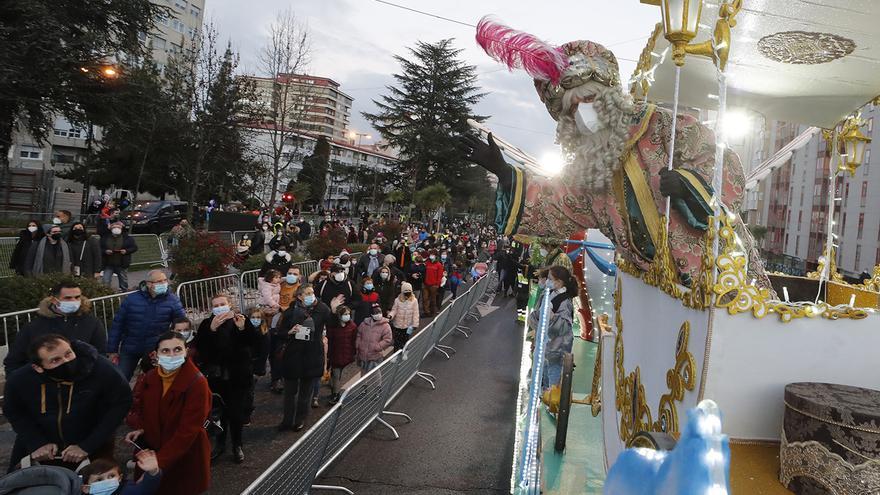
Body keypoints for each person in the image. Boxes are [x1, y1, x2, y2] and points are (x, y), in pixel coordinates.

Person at [3, 334, 132, 473]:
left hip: (92, 443)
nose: (66, 361)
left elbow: (121, 402)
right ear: (38, 367)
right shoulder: (20, 380)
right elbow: (14, 411)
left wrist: (87, 446)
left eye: (68, 354)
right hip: (38, 444)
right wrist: (36, 443)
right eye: (55, 360)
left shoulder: (101, 368)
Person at [124, 331, 211, 495]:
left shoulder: (197, 382)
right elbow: (144, 410)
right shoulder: (150, 377)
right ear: (156, 354)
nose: (172, 355)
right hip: (154, 452)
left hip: (184, 457)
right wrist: (142, 428)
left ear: (186, 351)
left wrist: (159, 462)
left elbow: (188, 431)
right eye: (165, 351)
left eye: (177, 349)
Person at [193, 296, 259, 463]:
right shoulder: (207, 324)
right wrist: (212, 331)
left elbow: (253, 343)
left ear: (230, 305)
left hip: (238, 376)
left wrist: (243, 329)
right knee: (218, 413)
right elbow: (202, 349)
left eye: (223, 304)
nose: (220, 307)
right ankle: (220, 443)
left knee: (236, 413)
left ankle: (237, 445)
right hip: (216, 378)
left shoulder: (240, 319)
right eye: (216, 305)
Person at [3, 281, 107, 375]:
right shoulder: (34, 327)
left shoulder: (92, 322)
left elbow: (100, 354)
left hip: (82, 382)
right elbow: (14, 360)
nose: (74, 301)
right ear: (54, 300)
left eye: (77, 297)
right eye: (68, 298)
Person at [108, 270, 186, 381]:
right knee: (120, 379)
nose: (164, 283)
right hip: (130, 347)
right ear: (149, 284)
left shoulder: (172, 300)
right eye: (159, 281)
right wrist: (112, 350)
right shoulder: (131, 300)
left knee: (155, 381)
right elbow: (118, 324)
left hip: (155, 349)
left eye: (165, 280)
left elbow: (182, 323)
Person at [276, 284, 333, 431]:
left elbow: (333, 325)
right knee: (290, 393)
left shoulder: (323, 309)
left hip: (312, 356)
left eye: (312, 292)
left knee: (305, 394)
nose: (311, 295)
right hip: (293, 356)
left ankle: (300, 420)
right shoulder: (290, 312)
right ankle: (287, 420)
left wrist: (334, 310)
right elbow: (279, 332)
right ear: (300, 296)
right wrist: (289, 331)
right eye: (307, 293)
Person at [528, 266, 576, 389]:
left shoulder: (565, 302)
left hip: (557, 350)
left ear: (559, 282)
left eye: (550, 278)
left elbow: (564, 327)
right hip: (546, 347)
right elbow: (535, 316)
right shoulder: (548, 295)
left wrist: (552, 318)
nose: (546, 281)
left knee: (553, 386)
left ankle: (550, 405)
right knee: (544, 380)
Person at [78, 452, 162, 495]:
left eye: (112, 476)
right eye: (99, 479)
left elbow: (145, 488)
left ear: (120, 478)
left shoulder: (127, 491)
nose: (108, 480)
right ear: (86, 488)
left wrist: (153, 471)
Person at [325, 305, 356, 404]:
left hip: (347, 355)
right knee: (336, 375)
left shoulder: (353, 326)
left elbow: (354, 341)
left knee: (338, 376)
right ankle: (335, 394)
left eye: (348, 314)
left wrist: (354, 353)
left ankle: (335, 392)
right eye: (345, 314)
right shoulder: (333, 327)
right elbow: (329, 340)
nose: (347, 316)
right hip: (335, 354)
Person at [100, 222, 138, 291]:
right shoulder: (105, 238)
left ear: (122, 228)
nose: (116, 229)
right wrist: (105, 251)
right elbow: (99, 248)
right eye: (114, 227)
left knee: (123, 280)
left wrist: (126, 251)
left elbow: (134, 248)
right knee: (105, 280)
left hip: (121, 263)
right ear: (111, 228)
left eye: (118, 227)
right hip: (108, 263)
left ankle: (124, 292)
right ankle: (105, 293)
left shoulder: (127, 238)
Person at [355, 303, 393, 373]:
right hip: (363, 354)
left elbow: (388, 339)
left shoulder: (385, 325)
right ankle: (364, 384)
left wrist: (378, 347)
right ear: (371, 314)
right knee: (363, 372)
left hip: (375, 355)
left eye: (380, 312)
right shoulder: (364, 324)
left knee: (375, 374)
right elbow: (359, 334)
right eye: (376, 312)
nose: (378, 314)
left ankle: (377, 384)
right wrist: (358, 344)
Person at [388, 282, 419, 351]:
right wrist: (390, 315)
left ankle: (405, 352)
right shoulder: (397, 300)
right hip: (397, 324)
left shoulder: (414, 301)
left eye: (409, 291)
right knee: (396, 341)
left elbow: (416, 313)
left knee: (405, 340)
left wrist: (415, 324)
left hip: (407, 326)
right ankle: (395, 354)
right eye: (406, 291)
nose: (407, 293)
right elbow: (394, 310)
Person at [422, 250, 445, 317]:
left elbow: (439, 276)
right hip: (426, 284)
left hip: (433, 285)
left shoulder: (438, 265)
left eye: (433, 254)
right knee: (425, 299)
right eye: (430, 254)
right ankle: (426, 312)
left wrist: (437, 285)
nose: (431, 256)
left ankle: (432, 312)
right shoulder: (427, 263)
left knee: (432, 299)